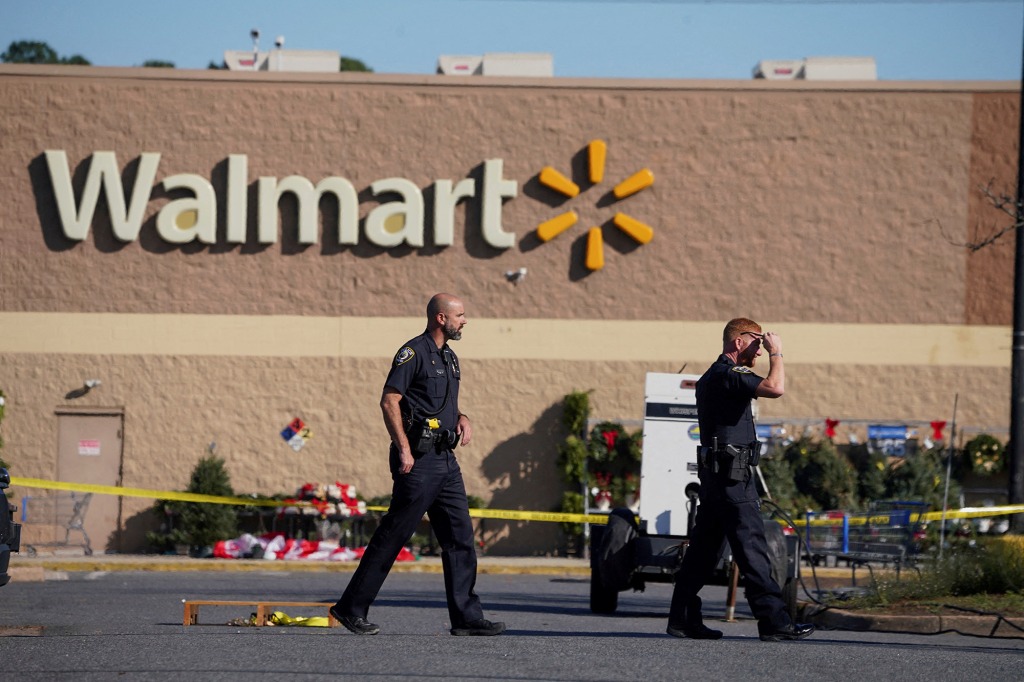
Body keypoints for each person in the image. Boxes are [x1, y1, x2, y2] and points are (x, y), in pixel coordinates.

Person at [331, 293, 505, 637]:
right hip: (419, 460)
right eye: (460, 316)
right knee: (394, 535)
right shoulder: (412, 352)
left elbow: (441, 404)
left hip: (445, 460)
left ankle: (467, 618)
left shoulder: (450, 358)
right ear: (441, 318)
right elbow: (389, 400)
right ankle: (350, 608)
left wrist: (462, 416)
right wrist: (404, 449)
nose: (465, 321)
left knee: (460, 538)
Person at [667, 318, 814, 642]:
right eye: (757, 342)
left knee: (702, 553)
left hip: (717, 479)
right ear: (738, 341)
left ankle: (682, 619)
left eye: (764, 345)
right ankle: (774, 622)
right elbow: (776, 388)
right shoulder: (729, 374)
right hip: (733, 481)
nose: (760, 350)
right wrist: (779, 354)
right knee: (752, 549)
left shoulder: (711, 376)